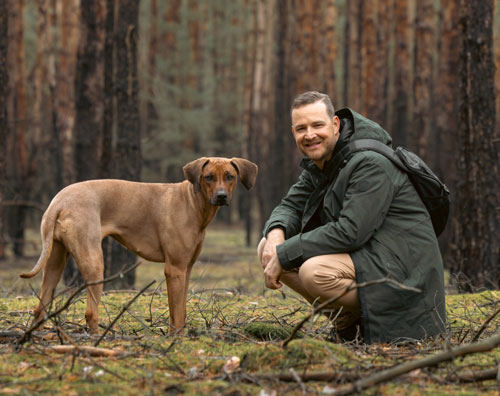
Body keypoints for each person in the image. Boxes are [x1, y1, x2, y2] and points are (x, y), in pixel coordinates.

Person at [257, 91, 446, 344]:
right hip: (371, 255)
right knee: (267, 247)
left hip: (406, 271)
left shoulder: (369, 164)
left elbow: (351, 231)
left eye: (317, 125)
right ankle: (348, 324)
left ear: (335, 125)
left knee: (314, 272)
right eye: (301, 128)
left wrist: (284, 253)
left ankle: (363, 322)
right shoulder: (325, 161)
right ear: (293, 133)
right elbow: (291, 205)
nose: (310, 135)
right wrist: (276, 234)